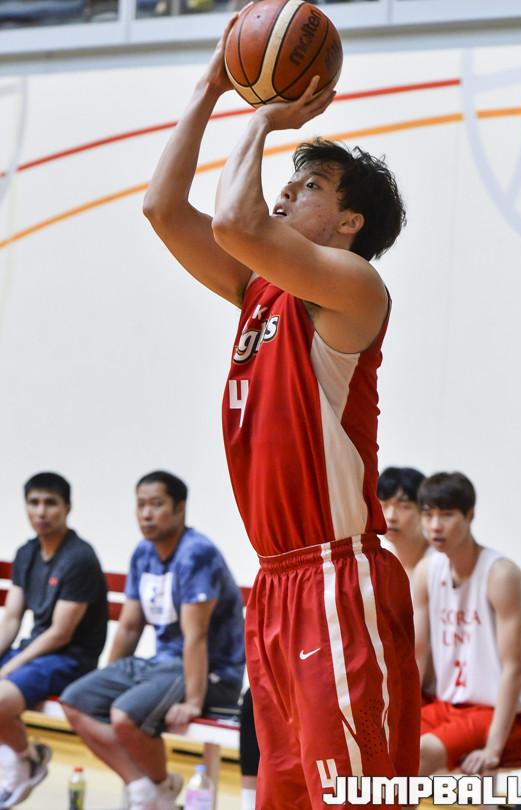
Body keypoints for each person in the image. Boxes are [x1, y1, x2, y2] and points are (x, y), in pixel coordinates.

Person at [143, 18, 419, 808]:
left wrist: (264, 118)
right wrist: (211, 86)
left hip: (337, 580)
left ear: (349, 224)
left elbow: (236, 222)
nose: (288, 189)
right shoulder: (259, 292)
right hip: (274, 585)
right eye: (290, 181)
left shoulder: (354, 288)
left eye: (311, 186)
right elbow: (163, 208)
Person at [61, 470, 245, 810]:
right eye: (141, 505)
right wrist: (109, 675)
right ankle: (153, 789)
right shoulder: (143, 553)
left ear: (180, 508)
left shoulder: (197, 554)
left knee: (124, 715)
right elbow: (130, 627)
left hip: (212, 673)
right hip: (161, 665)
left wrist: (193, 701)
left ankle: (155, 793)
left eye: (156, 504)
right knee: (75, 701)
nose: (146, 513)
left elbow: (196, 635)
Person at [413, 472, 521, 776]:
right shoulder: (427, 571)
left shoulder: (500, 575)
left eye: (447, 515)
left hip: (507, 713)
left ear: (470, 515)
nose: (435, 526)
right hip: (448, 706)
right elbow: (417, 655)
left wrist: (493, 749)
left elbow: (514, 670)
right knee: (382, 747)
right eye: (428, 515)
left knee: (418, 756)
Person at [0, 472, 108, 809]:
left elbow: (60, 633)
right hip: (36, 651)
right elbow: (12, 618)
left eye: (50, 503)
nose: (41, 511)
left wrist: (9, 668)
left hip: (71, 659)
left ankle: (25, 760)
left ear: (67, 508)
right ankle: (24, 758)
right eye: (34, 503)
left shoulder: (79, 558)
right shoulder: (27, 552)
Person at [377, 466, 428, 580]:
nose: (390, 517)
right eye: (383, 505)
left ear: (423, 510)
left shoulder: (440, 562)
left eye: (403, 507)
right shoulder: (379, 564)